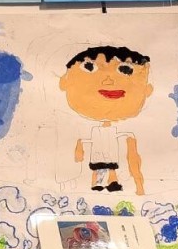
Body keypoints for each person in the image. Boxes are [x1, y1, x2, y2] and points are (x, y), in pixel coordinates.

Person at [59, 45, 152, 194]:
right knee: (99, 167)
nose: (108, 81)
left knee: (110, 166)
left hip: (110, 155)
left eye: (126, 70)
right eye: (89, 67)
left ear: (148, 89)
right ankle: (98, 183)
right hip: (98, 155)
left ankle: (112, 181)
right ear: (64, 83)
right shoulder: (95, 130)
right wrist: (80, 146)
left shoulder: (116, 132)